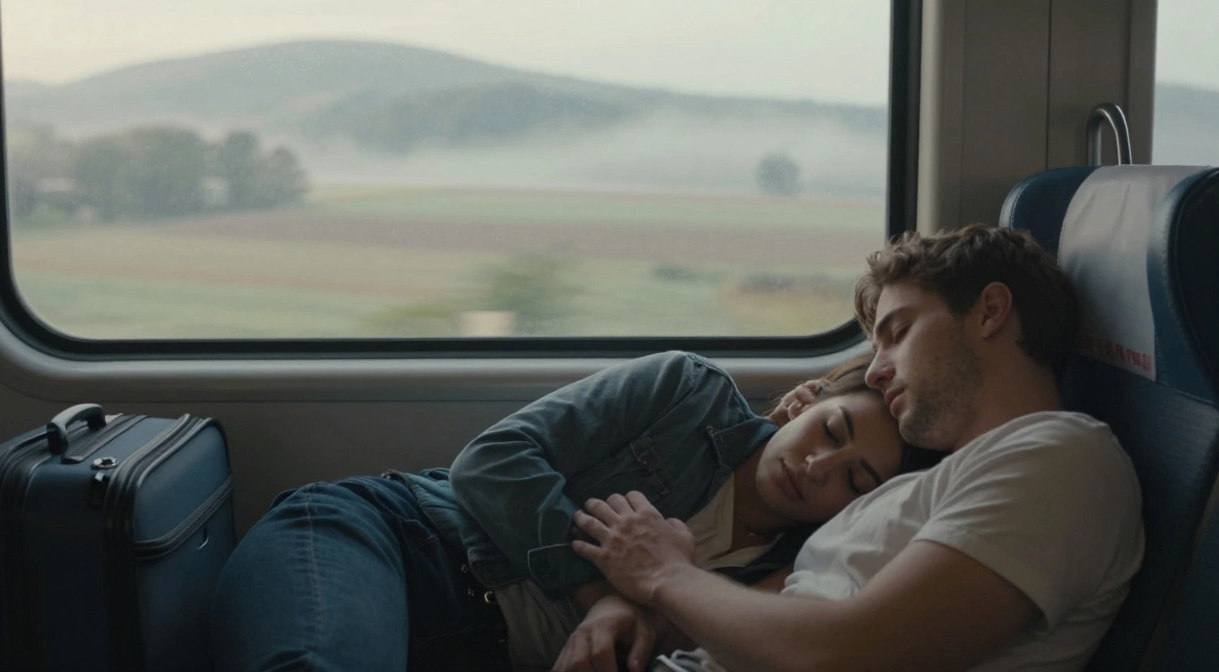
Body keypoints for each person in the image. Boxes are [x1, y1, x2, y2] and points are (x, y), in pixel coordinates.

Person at [569, 224, 1146, 672]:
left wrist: (665, 574)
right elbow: (781, 612)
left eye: (897, 332)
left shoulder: (1062, 460)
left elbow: (844, 657)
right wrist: (625, 607)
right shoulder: (921, 486)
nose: (874, 373)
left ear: (990, 312)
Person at [210, 350, 938, 672]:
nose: (817, 468)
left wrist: (654, 606)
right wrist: (603, 597)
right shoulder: (689, 392)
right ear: (805, 401)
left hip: (474, 648)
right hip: (391, 542)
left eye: (854, 479)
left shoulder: (793, 573)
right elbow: (491, 462)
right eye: (830, 433)